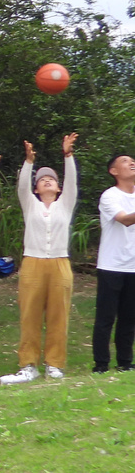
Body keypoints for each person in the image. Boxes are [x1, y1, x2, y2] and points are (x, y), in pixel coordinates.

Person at [2, 135, 78, 383]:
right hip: (33, 262)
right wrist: (28, 162)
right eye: (42, 179)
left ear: (58, 188)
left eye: (52, 179)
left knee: (59, 315)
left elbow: (72, 182)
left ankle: (54, 364)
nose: (47, 181)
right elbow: (22, 187)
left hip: (60, 263)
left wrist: (68, 156)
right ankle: (28, 364)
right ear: (36, 189)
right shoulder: (31, 205)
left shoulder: (64, 205)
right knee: (30, 315)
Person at [94, 152, 135, 374]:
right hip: (111, 265)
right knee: (106, 318)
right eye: (125, 161)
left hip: (133, 266)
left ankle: (125, 362)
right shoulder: (110, 196)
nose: (132, 163)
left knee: (129, 317)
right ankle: (101, 364)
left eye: (132, 160)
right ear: (114, 171)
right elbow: (125, 220)